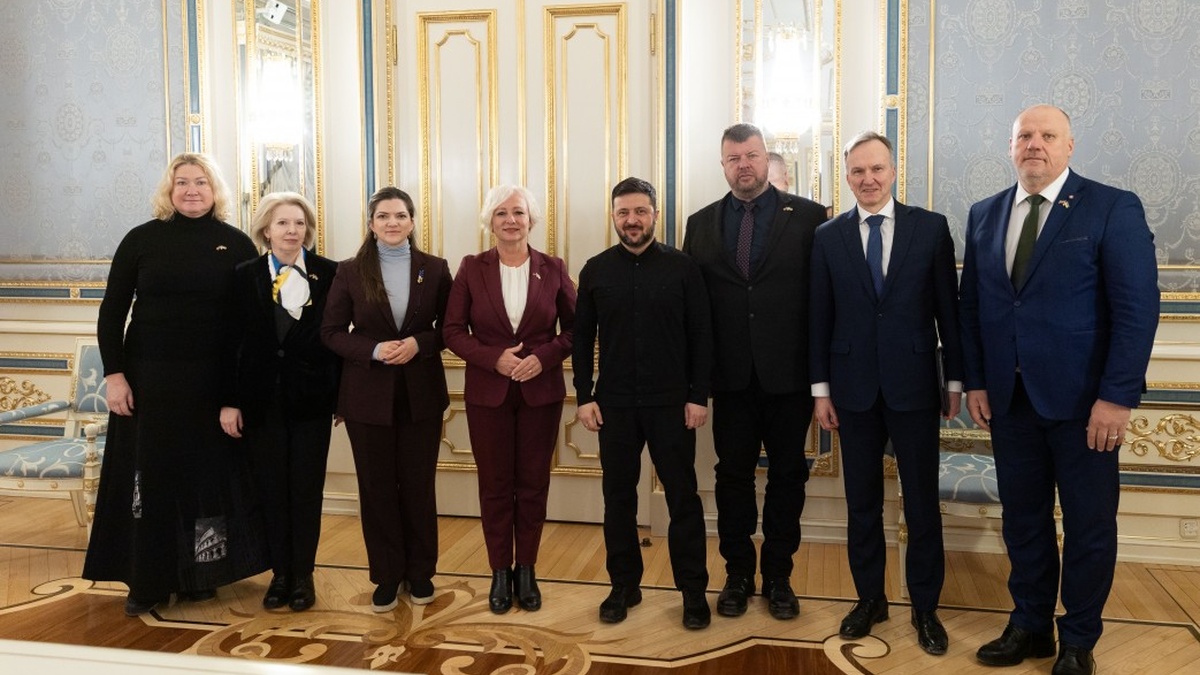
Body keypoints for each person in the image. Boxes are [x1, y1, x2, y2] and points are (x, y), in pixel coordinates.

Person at [960, 105, 1158, 675]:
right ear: (1010, 147)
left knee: (1089, 526)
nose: (1035, 144)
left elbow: (1136, 310)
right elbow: (973, 307)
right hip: (1009, 402)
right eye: (1024, 135)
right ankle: (1030, 625)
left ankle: (1078, 639)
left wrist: (1116, 398)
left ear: (1070, 146)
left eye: (1048, 135)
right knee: (1023, 521)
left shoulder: (1111, 206)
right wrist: (976, 380)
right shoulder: (984, 213)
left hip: (1086, 406)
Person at [84, 153, 267, 616]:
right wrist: (114, 375)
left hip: (212, 384)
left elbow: (249, 327)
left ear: (214, 189)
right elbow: (111, 312)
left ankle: (201, 577)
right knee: (151, 480)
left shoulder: (236, 243)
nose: (191, 190)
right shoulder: (141, 239)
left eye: (200, 182)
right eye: (181, 182)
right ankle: (147, 581)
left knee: (206, 478)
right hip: (148, 383)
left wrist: (234, 396)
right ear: (168, 190)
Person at [809, 131, 961, 655]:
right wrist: (820, 391)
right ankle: (870, 599)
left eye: (876, 169)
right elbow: (819, 318)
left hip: (915, 387)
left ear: (893, 171)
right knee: (862, 503)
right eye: (858, 171)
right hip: (851, 390)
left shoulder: (930, 228)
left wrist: (954, 381)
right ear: (847, 177)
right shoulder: (828, 236)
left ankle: (925, 607)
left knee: (921, 504)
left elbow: (949, 312)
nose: (868, 179)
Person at [682, 123, 827, 621]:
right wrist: (695, 383)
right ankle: (738, 574)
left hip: (790, 379)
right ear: (723, 166)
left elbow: (822, 302)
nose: (743, 165)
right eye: (733, 158)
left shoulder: (809, 218)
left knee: (788, 477)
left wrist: (822, 380)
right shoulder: (700, 224)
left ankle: (780, 576)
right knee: (732, 478)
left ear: (767, 158)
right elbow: (693, 312)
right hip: (730, 380)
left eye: (751, 155)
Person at [572, 177, 713, 630]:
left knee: (683, 499)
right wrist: (584, 396)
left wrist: (697, 396)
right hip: (613, 406)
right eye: (623, 213)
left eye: (640, 212)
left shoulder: (683, 268)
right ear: (614, 217)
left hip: (672, 405)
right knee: (617, 499)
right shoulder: (595, 270)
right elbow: (581, 339)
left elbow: (702, 336)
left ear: (655, 215)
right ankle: (623, 586)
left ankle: (692, 591)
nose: (632, 220)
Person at [443, 185, 576, 614]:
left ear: (530, 219)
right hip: (488, 394)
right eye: (501, 213)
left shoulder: (553, 268)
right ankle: (500, 571)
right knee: (495, 486)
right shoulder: (471, 268)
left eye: (518, 212)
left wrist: (543, 357)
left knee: (533, 485)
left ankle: (527, 570)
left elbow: (577, 329)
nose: (510, 220)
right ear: (490, 221)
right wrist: (493, 358)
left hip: (541, 393)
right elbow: (451, 330)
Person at [320, 186, 452, 613]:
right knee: (376, 488)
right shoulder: (349, 271)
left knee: (418, 486)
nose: (392, 223)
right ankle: (387, 575)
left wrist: (419, 343)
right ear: (371, 223)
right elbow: (331, 332)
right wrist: (375, 350)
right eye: (383, 216)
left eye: (400, 216)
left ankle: (420, 572)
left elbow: (451, 329)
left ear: (412, 221)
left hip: (421, 395)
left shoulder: (435, 269)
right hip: (366, 398)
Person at [221, 192, 340, 612]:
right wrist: (229, 402)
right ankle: (280, 575)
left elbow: (339, 341)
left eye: (299, 223)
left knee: (306, 491)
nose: (292, 231)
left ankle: (303, 575)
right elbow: (229, 342)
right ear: (266, 230)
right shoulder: (244, 275)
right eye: (283, 223)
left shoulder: (331, 273)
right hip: (260, 401)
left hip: (312, 400)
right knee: (271, 490)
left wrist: (340, 397)